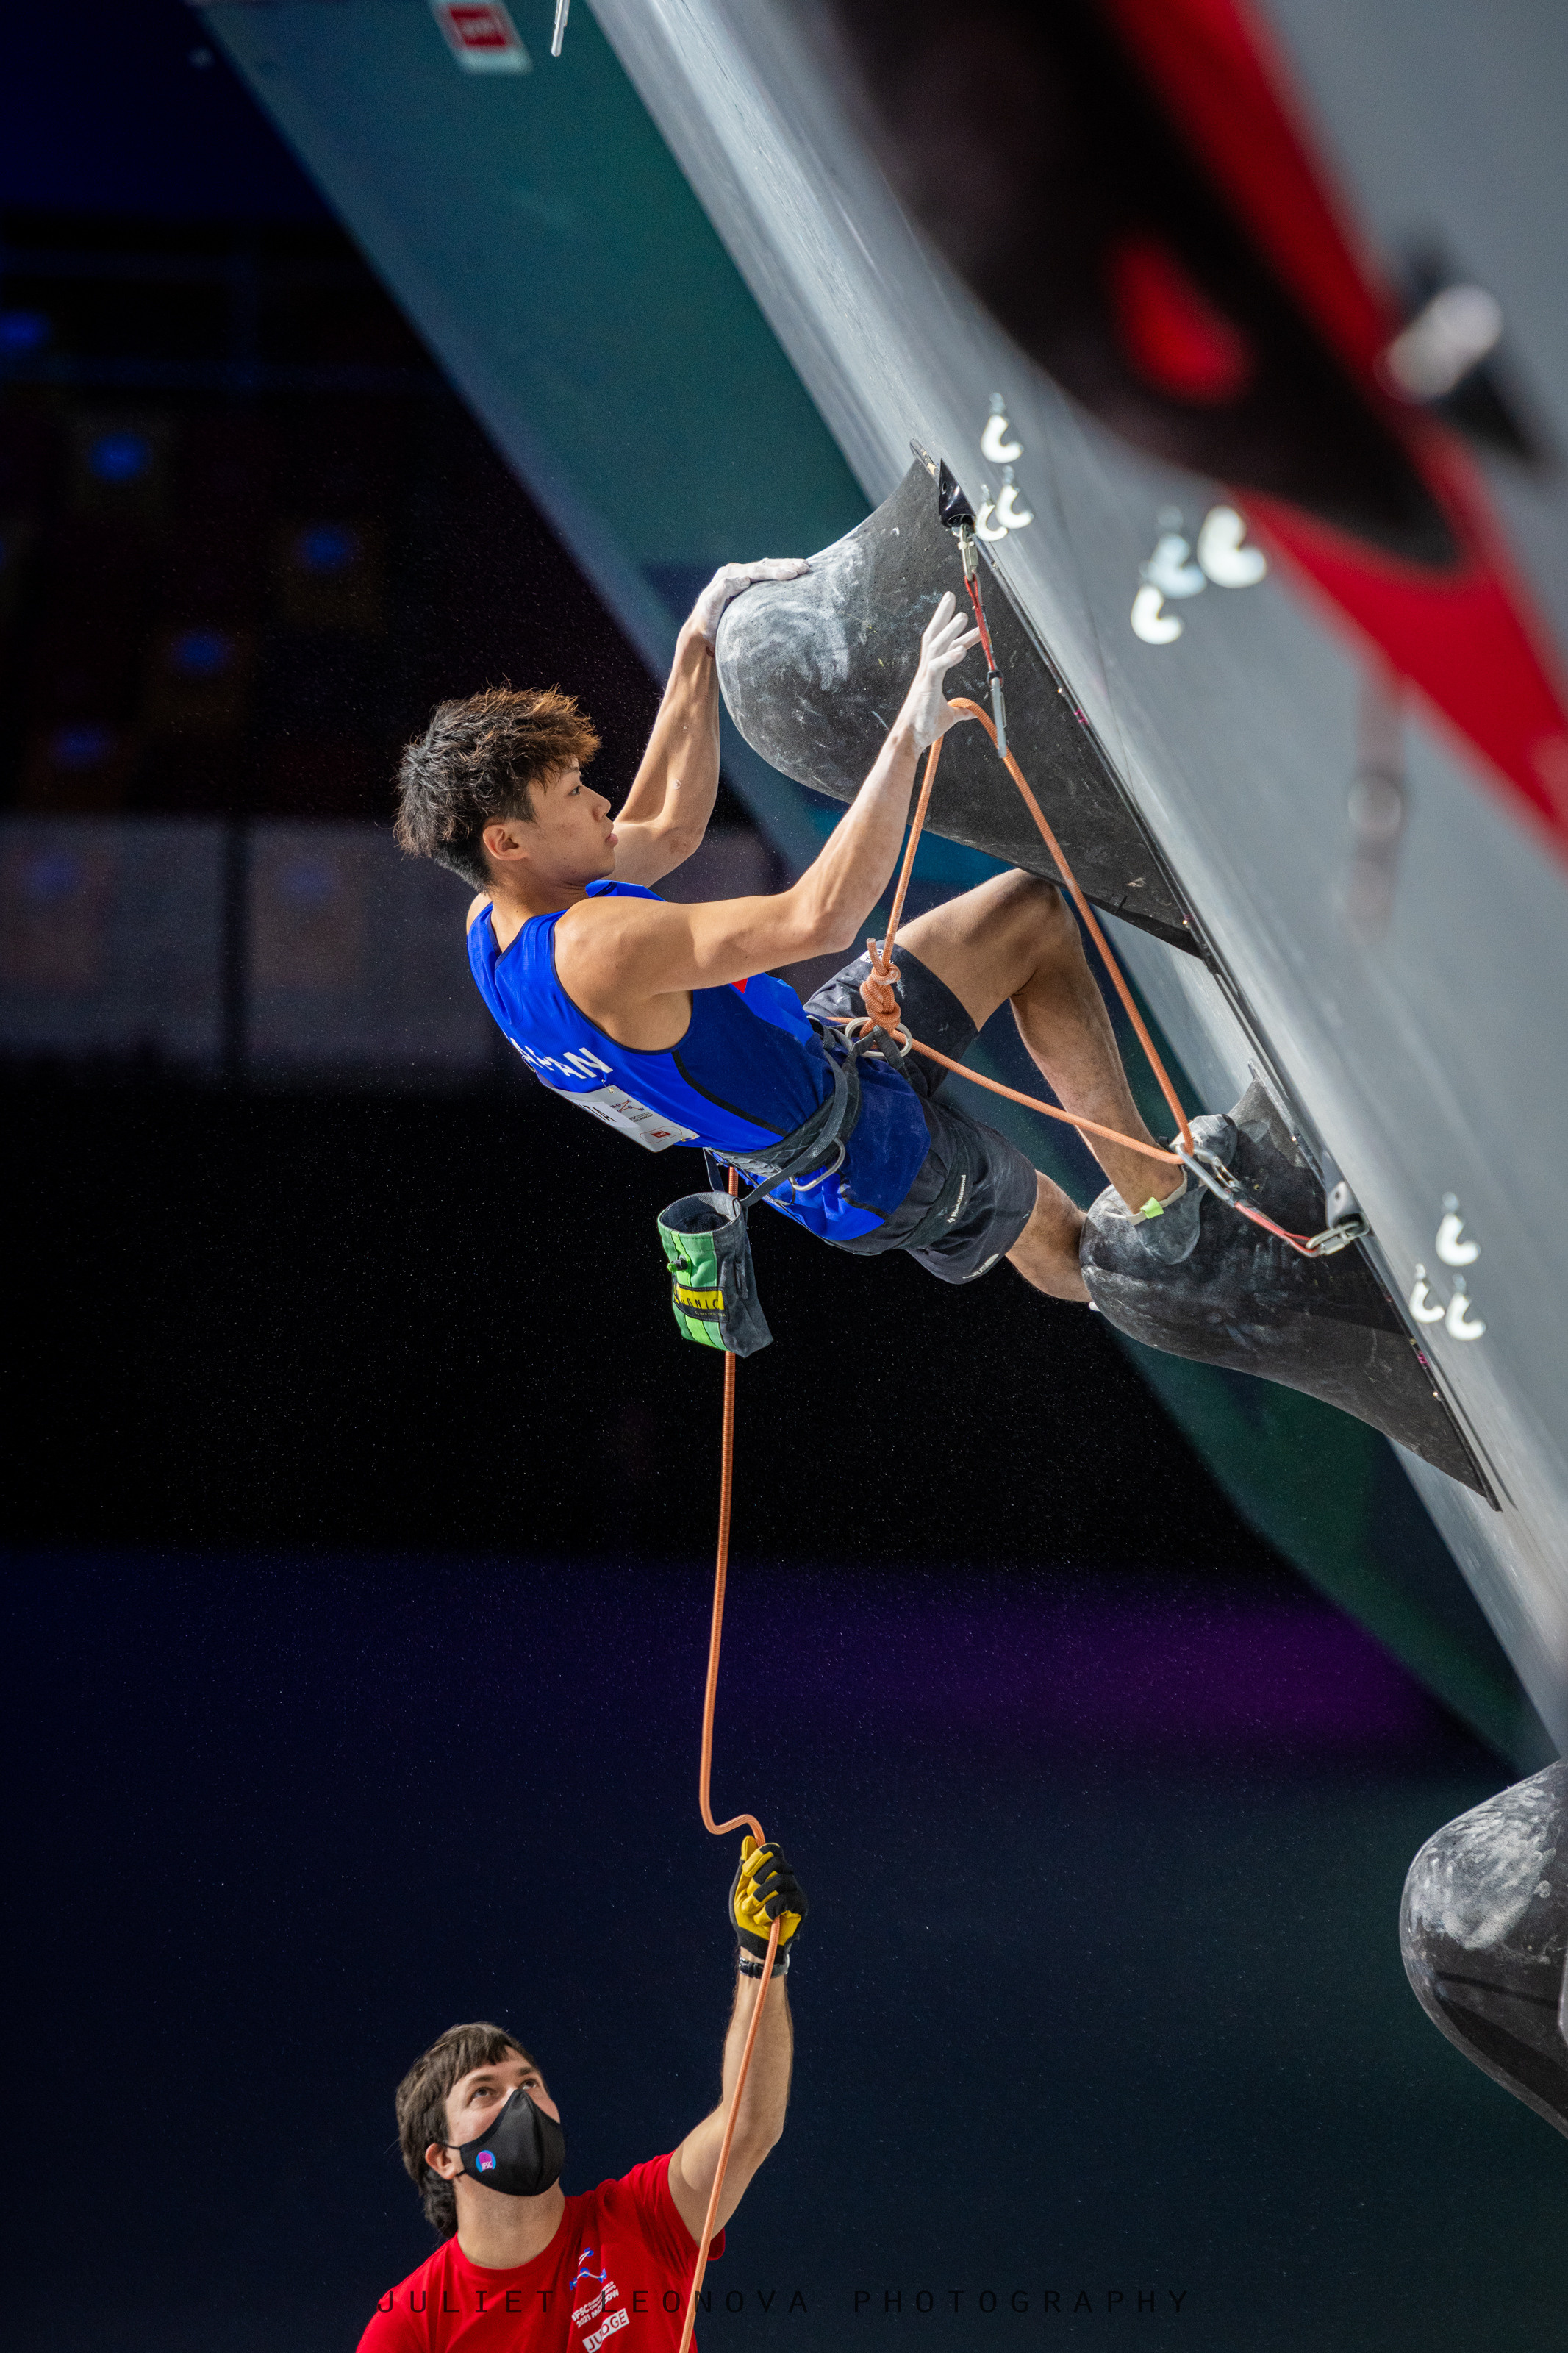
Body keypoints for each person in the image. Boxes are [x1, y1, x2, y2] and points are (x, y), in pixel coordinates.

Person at [393, 562, 1185, 1300]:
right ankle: (1174, 1299)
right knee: (1050, 1220)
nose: (601, 803)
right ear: (507, 840)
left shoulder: (494, 919)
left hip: (820, 1050)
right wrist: (905, 736)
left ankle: (1161, 1203)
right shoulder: (600, 947)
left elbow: (666, 828)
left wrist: (696, 641)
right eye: (572, 793)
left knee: (1027, 916)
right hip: (854, 1162)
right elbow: (823, 917)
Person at [359, 1838, 806, 2351]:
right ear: (441, 2158)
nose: (520, 2102)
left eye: (529, 2083)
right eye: (484, 2092)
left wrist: (759, 1960)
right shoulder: (409, 2326)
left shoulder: (640, 2217)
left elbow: (747, 2126)